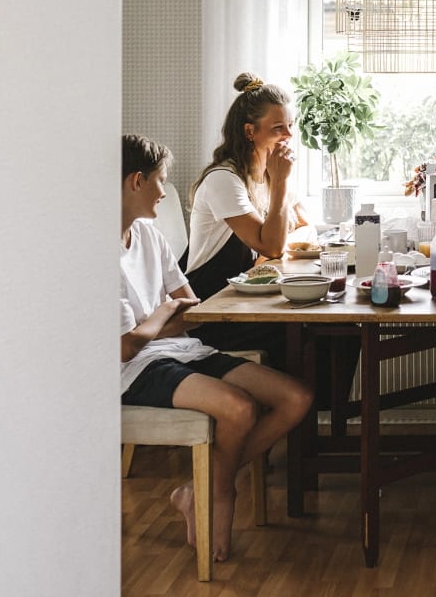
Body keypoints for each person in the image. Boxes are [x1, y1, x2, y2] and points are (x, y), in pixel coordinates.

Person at [119, 134, 312, 562]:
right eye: (160, 181)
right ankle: (221, 498)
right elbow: (125, 347)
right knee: (240, 408)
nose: (165, 191)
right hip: (131, 372)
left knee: (295, 398)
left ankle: (199, 490)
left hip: (179, 348)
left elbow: (192, 307)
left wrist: (161, 319)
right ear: (136, 182)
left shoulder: (150, 238)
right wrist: (161, 315)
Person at [183, 72, 312, 361]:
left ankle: (321, 405)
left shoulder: (266, 175)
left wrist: (278, 186)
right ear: (250, 132)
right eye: (278, 127)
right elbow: (273, 246)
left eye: (290, 126)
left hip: (245, 300)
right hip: (213, 311)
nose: (289, 136)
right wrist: (280, 183)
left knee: (329, 324)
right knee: (308, 330)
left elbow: (305, 223)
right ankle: (304, 403)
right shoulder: (224, 180)